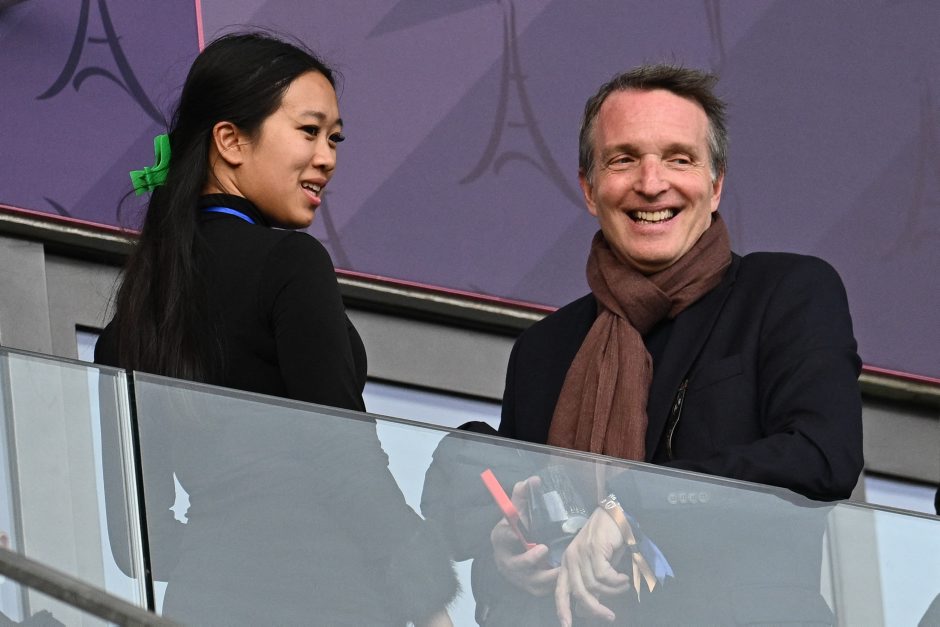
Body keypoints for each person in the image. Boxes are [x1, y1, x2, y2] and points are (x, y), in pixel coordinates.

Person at [423, 64, 863, 625]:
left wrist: (631, 506)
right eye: (624, 159)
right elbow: (526, 523)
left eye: (679, 159)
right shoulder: (544, 350)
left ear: (715, 184)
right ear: (589, 189)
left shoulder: (783, 292)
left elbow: (821, 455)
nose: (652, 183)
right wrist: (508, 555)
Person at [95, 32, 456, 626]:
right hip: (326, 598)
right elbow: (345, 453)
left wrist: (226, 556)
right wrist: (429, 600)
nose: (327, 158)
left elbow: (136, 538)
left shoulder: (133, 318)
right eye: (309, 131)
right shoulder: (290, 263)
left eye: (334, 138)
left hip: (202, 604)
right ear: (230, 141)